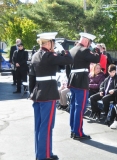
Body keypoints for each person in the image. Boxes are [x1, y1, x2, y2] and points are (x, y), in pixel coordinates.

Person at [29, 32, 73, 160]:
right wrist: (62, 49)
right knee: (47, 126)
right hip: (48, 95)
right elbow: (69, 60)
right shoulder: (49, 55)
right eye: (53, 43)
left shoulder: (35, 56)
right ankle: (44, 156)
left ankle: (44, 153)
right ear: (49, 43)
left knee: (39, 126)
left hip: (37, 94)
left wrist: (32, 93)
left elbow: (31, 78)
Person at [66, 32, 101, 140]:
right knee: (80, 108)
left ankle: (73, 130)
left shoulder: (72, 50)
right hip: (81, 82)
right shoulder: (84, 50)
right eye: (89, 42)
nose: (89, 44)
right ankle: (78, 132)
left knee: (73, 107)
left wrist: (70, 78)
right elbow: (97, 59)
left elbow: (68, 68)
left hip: (73, 81)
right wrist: (98, 50)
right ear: (86, 40)